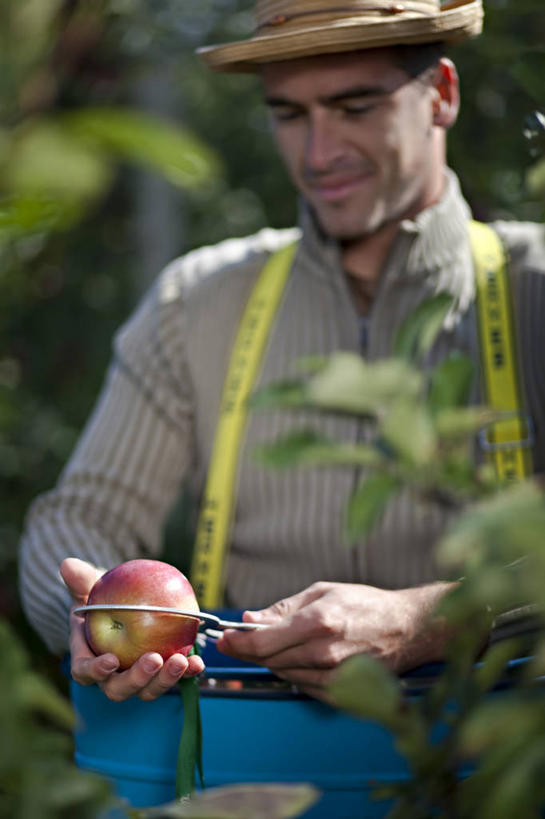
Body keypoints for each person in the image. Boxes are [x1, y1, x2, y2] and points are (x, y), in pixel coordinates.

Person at [19, 0, 545, 704]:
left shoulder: (532, 288)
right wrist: (89, 612)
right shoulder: (196, 302)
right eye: (289, 114)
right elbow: (77, 514)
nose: (317, 153)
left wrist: (437, 617)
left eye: (354, 105)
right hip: (254, 778)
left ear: (441, 95)